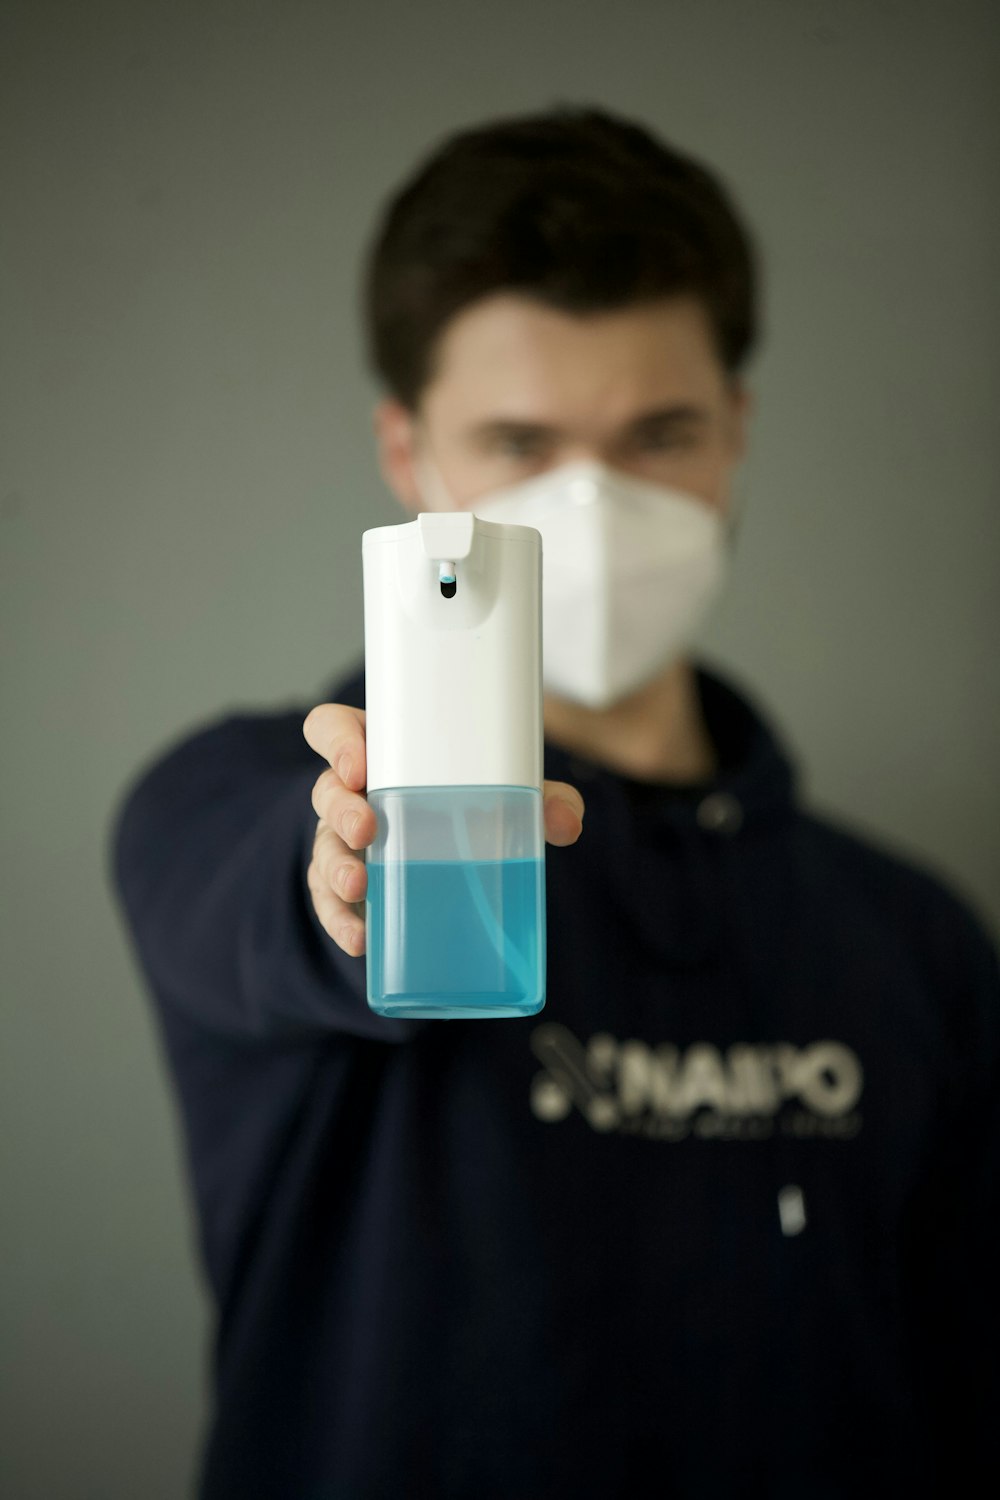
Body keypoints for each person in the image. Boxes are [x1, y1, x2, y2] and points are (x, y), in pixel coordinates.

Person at [110, 106, 999, 1499]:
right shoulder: (223, 802)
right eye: (520, 442)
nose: (590, 508)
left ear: (736, 437)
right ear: (411, 457)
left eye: (659, 434)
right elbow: (262, 901)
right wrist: (350, 877)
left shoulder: (917, 936)